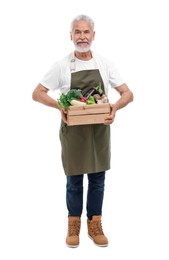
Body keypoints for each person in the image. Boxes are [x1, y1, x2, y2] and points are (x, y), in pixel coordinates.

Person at [32, 14, 134, 248]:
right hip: (74, 134)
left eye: (86, 32)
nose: (82, 36)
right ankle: (74, 224)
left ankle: (95, 223)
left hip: (99, 131)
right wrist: (60, 105)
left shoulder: (104, 63)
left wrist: (115, 107)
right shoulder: (62, 65)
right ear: (71, 36)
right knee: (74, 181)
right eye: (77, 32)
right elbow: (37, 92)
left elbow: (128, 93)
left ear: (93, 35)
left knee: (98, 180)